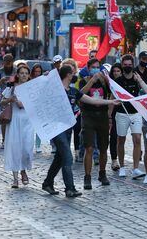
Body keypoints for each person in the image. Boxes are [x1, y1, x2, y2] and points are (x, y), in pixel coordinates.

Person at [42, 65, 119, 198]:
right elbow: (42, 93)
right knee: (67, 157)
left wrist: (111, 101)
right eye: (73, 73)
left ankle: (48, 182)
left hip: (67, 129)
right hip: (56, 128)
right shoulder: (56, 89)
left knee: (59, 158)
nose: (74, 75)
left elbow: (91, 100)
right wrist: (46, 79)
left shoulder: (73, 91)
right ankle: (70, 188)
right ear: (68, 75)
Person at [79, 58, 113, 189]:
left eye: (98, 67)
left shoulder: (104, 81)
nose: (96, 69)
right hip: (88, 116)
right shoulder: (84, 80)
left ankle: (102, 173)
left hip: (102, 116)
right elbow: (80, 94)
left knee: (103, 148)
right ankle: (87, 177)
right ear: (88, 68)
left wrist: (107, 79)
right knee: (89, 147)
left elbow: (112, 93)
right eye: (93, 67)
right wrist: (92, 80)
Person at [1, 65, 33, 188]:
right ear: (18, 75)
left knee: (26, 149)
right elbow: (2, 101)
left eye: (26, 73)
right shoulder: (12, 88)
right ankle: (15, 179)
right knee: (14, 148)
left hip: (28, 122)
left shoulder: (31, 88)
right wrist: (10, 99)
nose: (24, 75)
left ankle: (23, 170)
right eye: (22, 73)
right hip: (14, 121)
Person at [114, 54, 145, 179]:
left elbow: (145, 92)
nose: (127, 67)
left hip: (136, 113)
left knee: (137, 139)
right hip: (121, 113)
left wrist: (140, 82)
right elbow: (113, 97)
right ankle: (121, 167)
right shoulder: (118, 81)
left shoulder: (138, 79)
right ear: (122, 65)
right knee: (121, 140)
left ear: (133, 65)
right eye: (125, 65)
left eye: (129, 65)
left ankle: (136, 168)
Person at [0, 54, 16, 149]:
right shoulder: (0, 71)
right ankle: (4, 140)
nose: (7, 65)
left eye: (9, 63)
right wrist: (1, 81)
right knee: (4, 119)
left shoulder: (16, 70)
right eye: (5, 63)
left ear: (12, 62)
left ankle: (13, 140)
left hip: (14, 96)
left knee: (14, 120)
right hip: (3, 98)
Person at [108, 63, 122, 171]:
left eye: (118, 71)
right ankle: (114, 160)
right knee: (113, 136)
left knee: (121, 138)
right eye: (114, 71)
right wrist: (109, 116)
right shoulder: (109, 83)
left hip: (125, 112)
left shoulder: (124, 82)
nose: (116, 73)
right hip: (113, 112)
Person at [30, 64, 44, 153]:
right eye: (36, 71)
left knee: (39, 126)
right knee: (30, 127)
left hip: (40, 105)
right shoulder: (29, 80)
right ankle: (29, 144)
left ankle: (38, 145)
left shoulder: (43, 80)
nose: (37, 73)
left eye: (39, 71)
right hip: (30, 106)